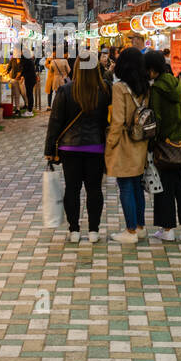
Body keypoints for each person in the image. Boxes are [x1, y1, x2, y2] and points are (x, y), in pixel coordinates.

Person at [44, 61, 111, 244]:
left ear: (76, 69)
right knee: (94, 189)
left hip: (69, 148)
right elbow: (108, 121)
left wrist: (49, 149)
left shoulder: (66, 90)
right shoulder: (104, 91)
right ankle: (94, 231)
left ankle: (74, 230)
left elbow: (55, 121)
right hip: (96, 147)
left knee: (72, 189)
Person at [147, 51, 181, 243]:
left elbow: (156, 119)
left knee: (165, 188)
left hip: (165, 147)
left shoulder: (157, 89)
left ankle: (167, 229)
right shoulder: (178, 84)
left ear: (152, 69)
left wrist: (154, 141)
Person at [106, 47, 151, 244]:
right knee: (136, 186)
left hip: (124, 142)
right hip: (141, 141)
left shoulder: (119, 88)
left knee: (125, 185)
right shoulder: (145, 87)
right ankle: (140, 227)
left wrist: (110, 144)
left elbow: (117, 120)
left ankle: (130, 231)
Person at [19, 51, 39, 116]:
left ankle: (30, 111)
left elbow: (24, 70)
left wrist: (20, 75)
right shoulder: (29, 60)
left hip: (30, 79)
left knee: (29, 94)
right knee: (29, 94)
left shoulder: (27, 61)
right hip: (31, 79)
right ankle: (29, 110)